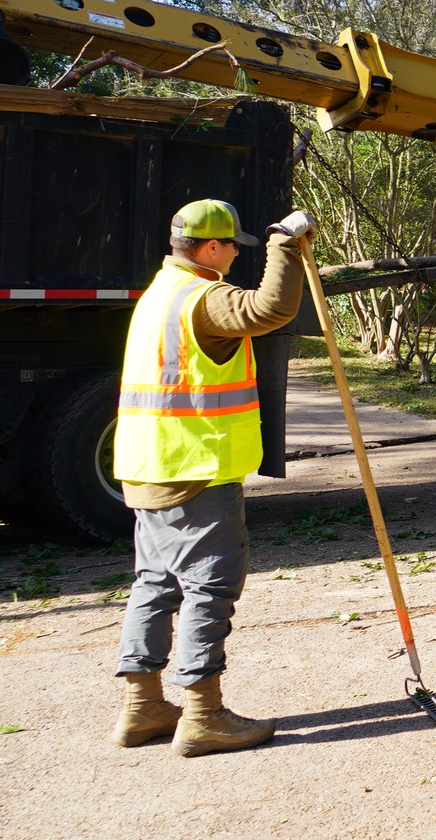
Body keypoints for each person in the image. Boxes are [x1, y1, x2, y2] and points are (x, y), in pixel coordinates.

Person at [111, 198, 312, 757]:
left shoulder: (160, 293)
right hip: (195, 470)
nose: (233, 256)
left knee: (156, 584)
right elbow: (269, 309)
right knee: (209, 586)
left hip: (149, 466)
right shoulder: (204, 298)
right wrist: (283, 243)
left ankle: (143, 708)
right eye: (232, 246)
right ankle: (203, 715)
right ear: (212, 247)